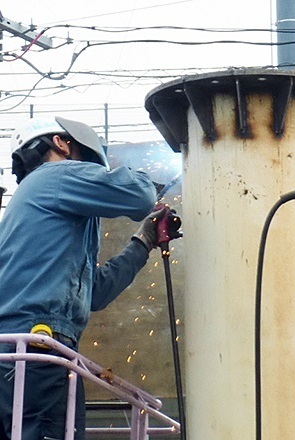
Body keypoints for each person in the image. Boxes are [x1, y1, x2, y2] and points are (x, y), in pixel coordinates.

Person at [0, 116, 179, 440]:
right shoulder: (54, 176)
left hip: (18, 353)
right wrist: (148, 185)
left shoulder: (39, 202)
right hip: (37, 346)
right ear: (60, 143)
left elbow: (94, 293)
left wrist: (143, 242)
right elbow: (138, 196)